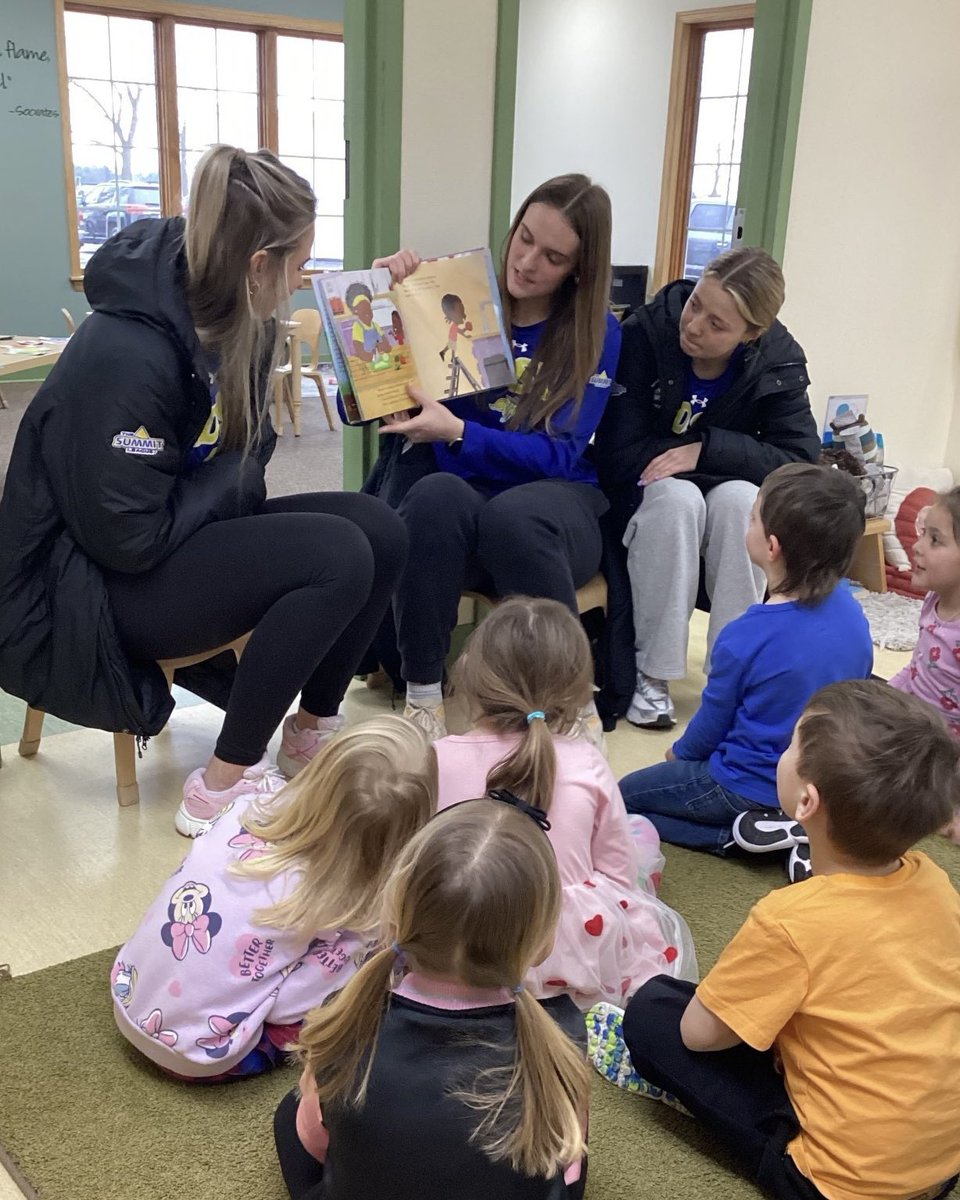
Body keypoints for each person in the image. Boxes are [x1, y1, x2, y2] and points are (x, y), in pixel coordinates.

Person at [0, 145, 407, 836]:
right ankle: (222, 786)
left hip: (162, 541)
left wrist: (236, 464)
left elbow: (250, 450)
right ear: (258, 265)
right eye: (298, 263)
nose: (302, 280)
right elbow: (129, 538)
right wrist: (235, 469)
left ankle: (309, 732)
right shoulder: (127, 351)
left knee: (380, 529)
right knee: (337, 554)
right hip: (87, 591)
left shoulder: (228, 318)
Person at [588, 680, 960, 1200]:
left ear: (806, 801)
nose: (783, 753)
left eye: (791, 746)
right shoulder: (935, 883)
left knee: (652, 1011)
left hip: (831, 1184)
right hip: (941, 1165)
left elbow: (699, 1036)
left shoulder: (790, 920)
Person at [363, 174, 622, 745]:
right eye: (523, 238)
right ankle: (424, 697)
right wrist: (387, 305)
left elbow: (560, 454)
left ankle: (573, 704)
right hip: (467, 500)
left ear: (578, 269)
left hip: (554, 506)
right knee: (431, 496)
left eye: (552, 257)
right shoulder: (457, 296)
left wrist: (457, 432)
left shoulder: (596, 330)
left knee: (515, 516)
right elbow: (357, 402)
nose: (526, 262)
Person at [273, 795, 592, 1200]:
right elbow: (564, 1166)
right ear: (543, 940)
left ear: (396, 909)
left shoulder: (344, 1025)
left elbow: (317, 1147)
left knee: (294, 1113)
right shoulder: (564, 1039)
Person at [110, 716, 436, 1081]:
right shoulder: (341, 904)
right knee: (361, 978)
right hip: (199, 1056)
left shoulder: (244, 808)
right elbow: (287, 1009)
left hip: (128, 992)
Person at [595, 246, 819, 729]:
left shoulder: (777, 358)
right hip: (645, 496)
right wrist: (693, 469)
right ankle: (652, 673)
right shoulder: (648, 331)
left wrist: (705, 450)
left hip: (719, 487)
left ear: (752, 335)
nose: (695, 326)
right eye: (696, 304)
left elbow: (801, 460)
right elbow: (615, 451)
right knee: (678, 500)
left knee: (741, 502)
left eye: (718, 325)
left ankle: (730, 675)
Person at [435, 596, 696, 1009]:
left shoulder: (438, 756)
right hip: (566, 949)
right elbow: (617, 875)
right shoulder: (585, 760)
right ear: (576, 691)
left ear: (470, 672)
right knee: (640, 835)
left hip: (455, 937)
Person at [618, 463, 873, 882]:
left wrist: (679, 754)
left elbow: (712, 724)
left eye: (751, 516)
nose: (746, 522)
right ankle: (795, 827)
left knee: (624, 799)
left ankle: (733, 837)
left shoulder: (745, 635)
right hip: (817, 781)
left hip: (738, 784)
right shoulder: (852, 611)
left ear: (771, 547)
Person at [889, 488, 960, 841]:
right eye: (922, 533)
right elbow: (919, 666)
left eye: (935, 539)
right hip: (918, 726)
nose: (917, 546)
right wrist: (884, 699)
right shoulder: (934, 599)